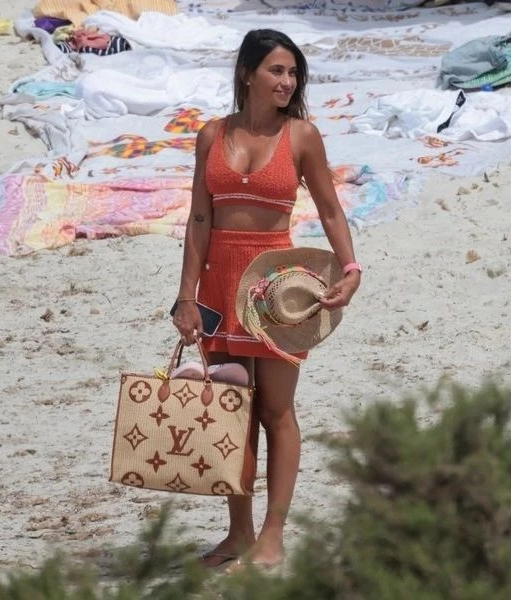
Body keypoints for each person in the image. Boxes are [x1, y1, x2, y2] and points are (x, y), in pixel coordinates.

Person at [172, 28, 361, 570]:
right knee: (231, 409)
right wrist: (186, 296)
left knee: (276, 411)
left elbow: (329, 208)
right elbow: (200, 218)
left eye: (293, 72)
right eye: (277, 70)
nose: (287, 81)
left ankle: (273, 535)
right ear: (247, 73)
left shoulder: (302, 136)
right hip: (217, 286)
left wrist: (350, 269)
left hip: (275, 289)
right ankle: (239, 533)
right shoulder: (212, 134)